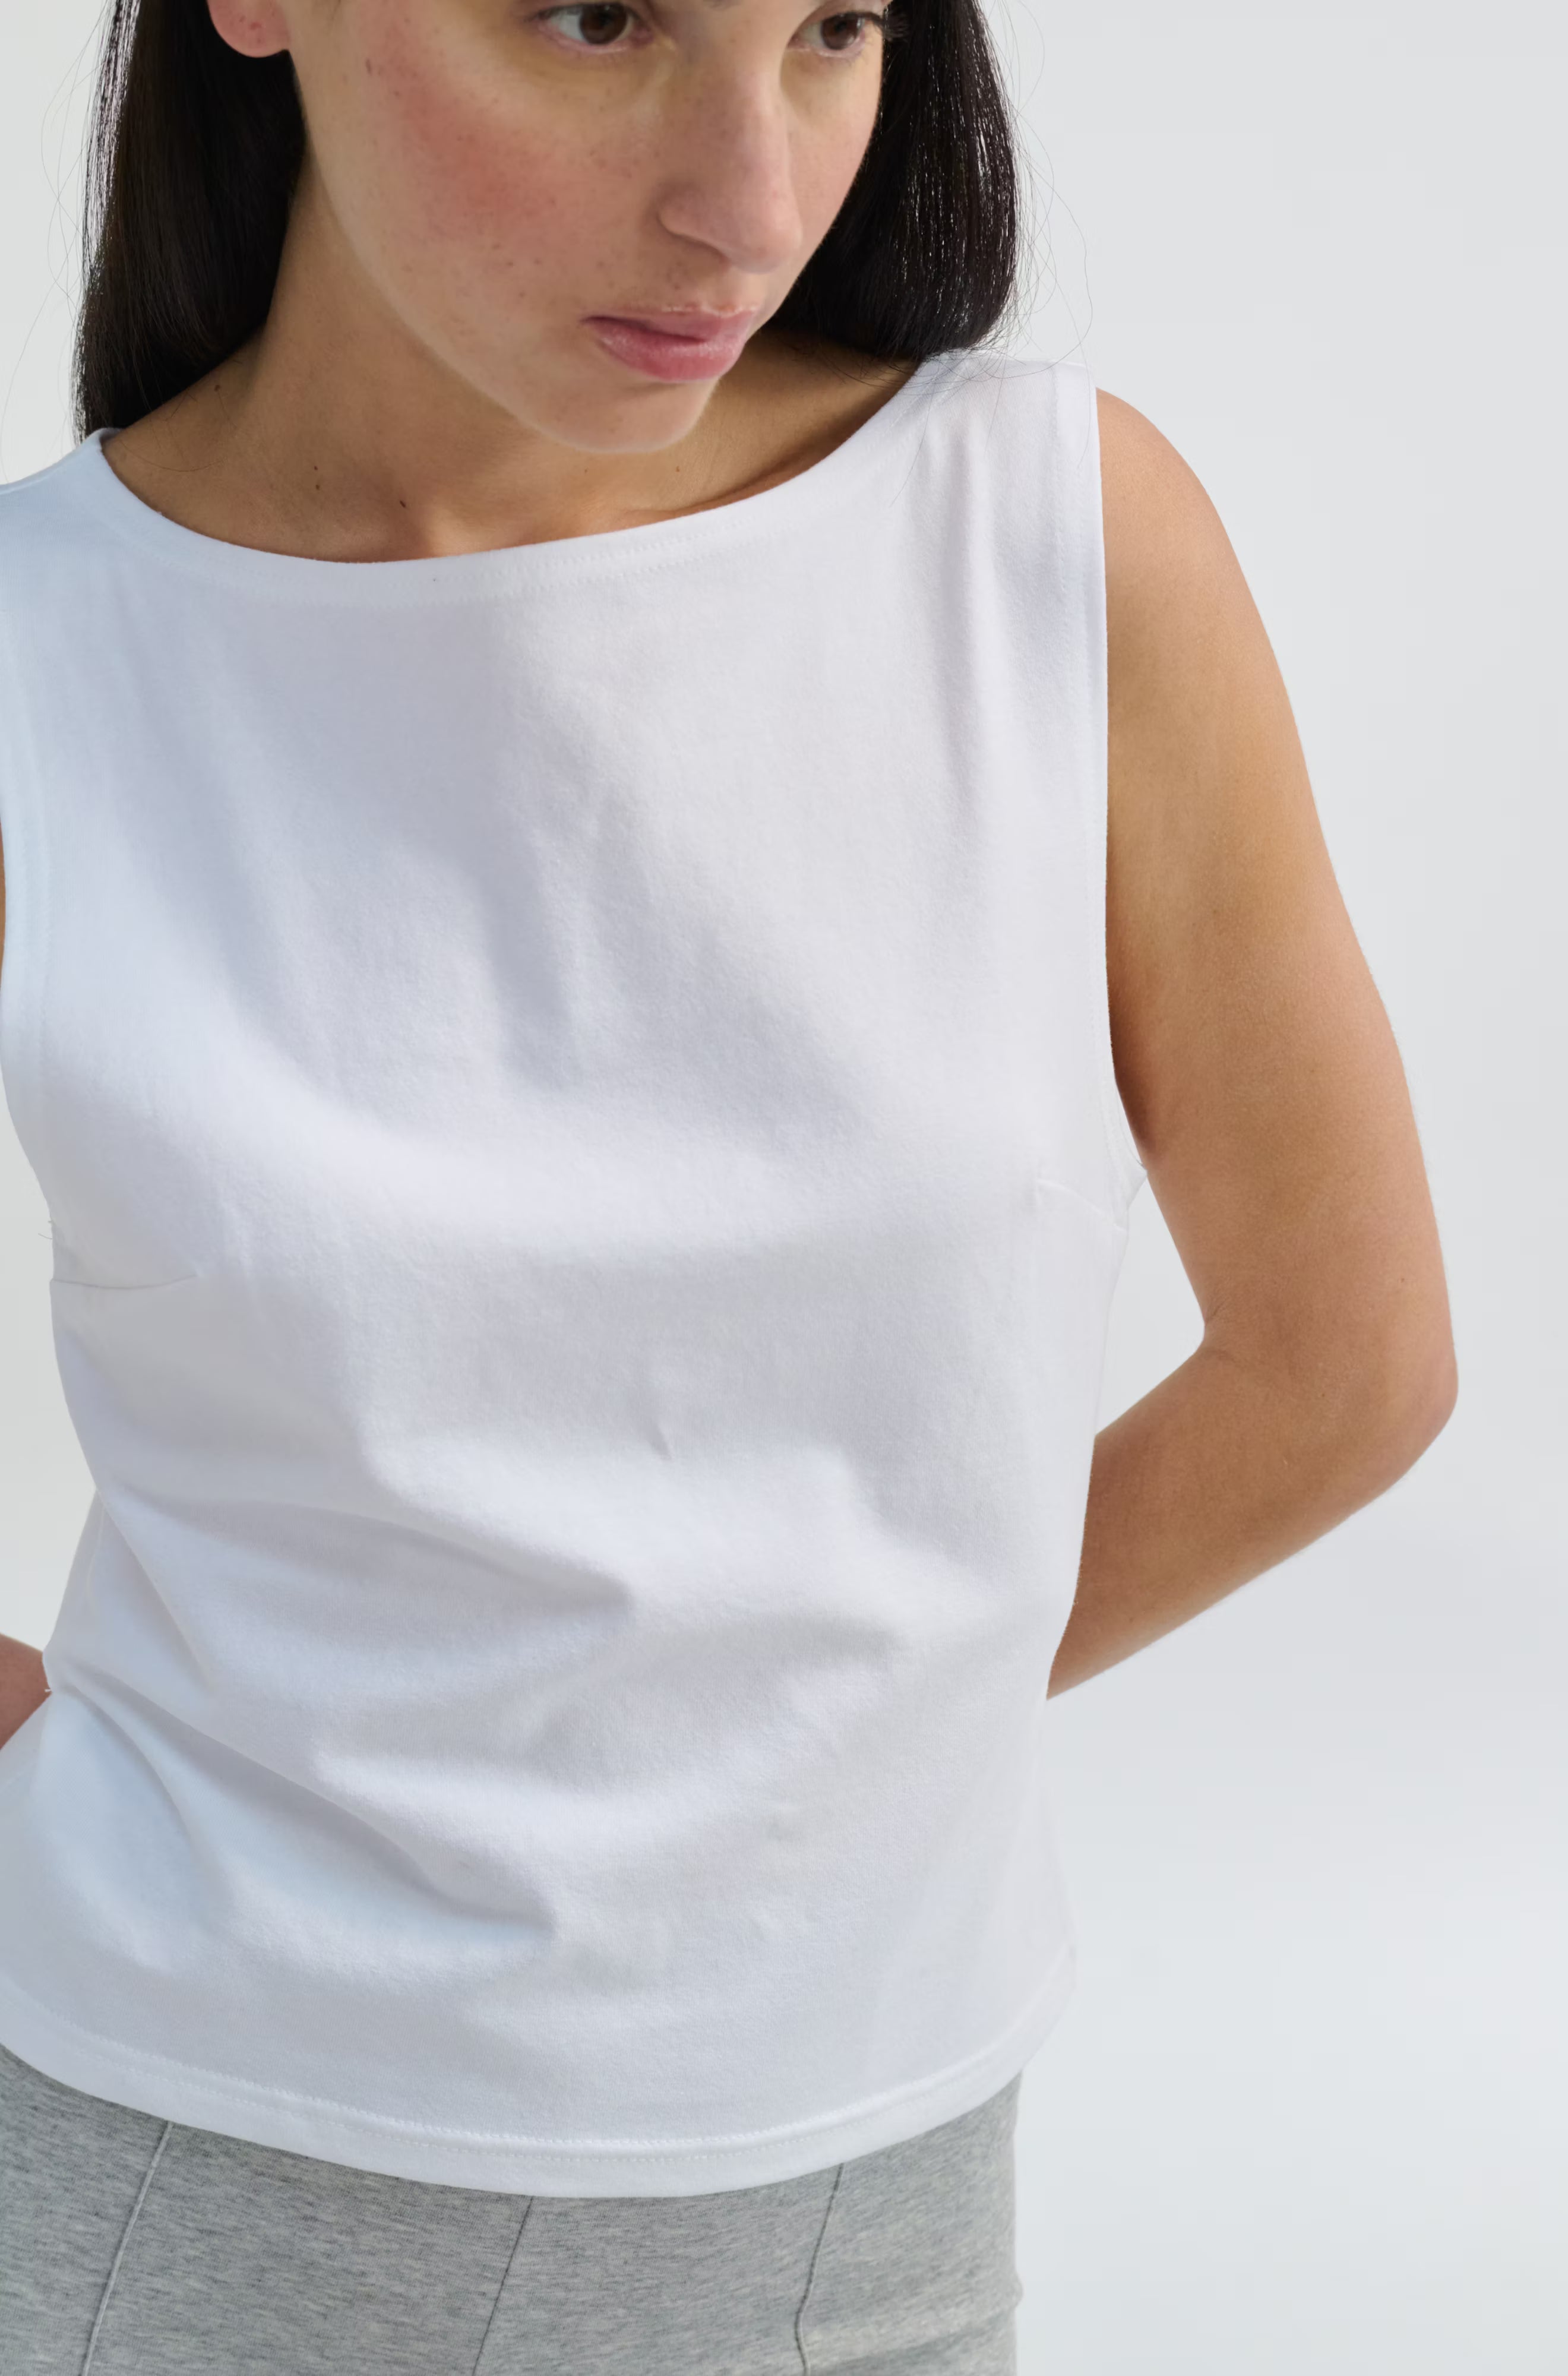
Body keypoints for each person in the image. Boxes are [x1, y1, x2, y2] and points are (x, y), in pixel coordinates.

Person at [0, 0, 1456, 2366]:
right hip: (173, 2193)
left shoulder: (1053, 545)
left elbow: (1347, 1363)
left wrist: (788, 1756)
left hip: (856, 2226)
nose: (751, 198)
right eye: (597, 18)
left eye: (833, 27)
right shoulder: (41, 653)